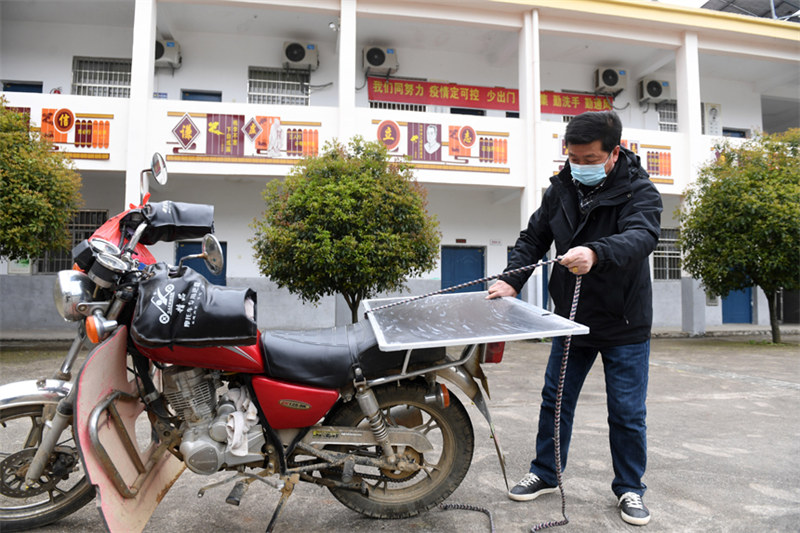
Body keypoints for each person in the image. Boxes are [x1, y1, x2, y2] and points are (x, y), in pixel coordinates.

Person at [487, 110, 662, 526]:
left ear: (613, 153)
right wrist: (513, 279)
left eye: (588, 159)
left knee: (626, 411)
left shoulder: (640, 191)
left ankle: (630, 489)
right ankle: (545, 472)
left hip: (624, 323)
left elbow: (641, 237)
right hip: (570, 319)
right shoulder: (560, 190)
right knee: (556, 399)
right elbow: (533, 238)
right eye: (573, 158)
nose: (579, 166)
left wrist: (596, 252)